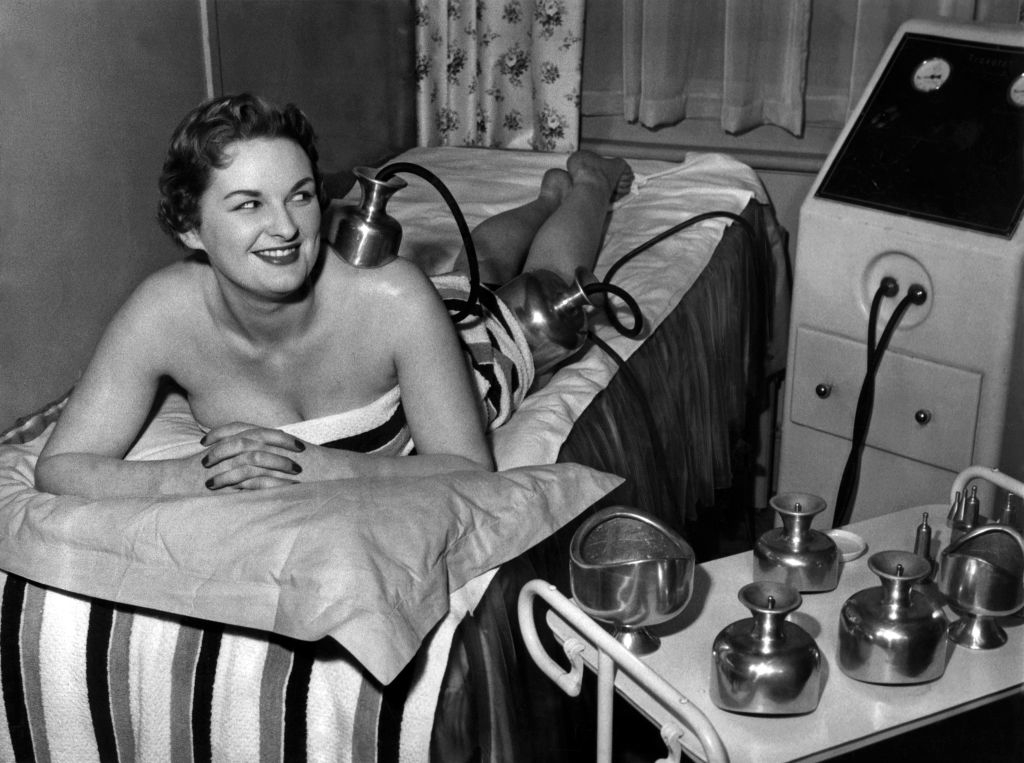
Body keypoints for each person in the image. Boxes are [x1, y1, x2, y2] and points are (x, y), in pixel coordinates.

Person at [34, 93, 632, 500]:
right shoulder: (160, 314)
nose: (287, 227)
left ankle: (586, 184)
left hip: (469, 357)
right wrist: (191, 479)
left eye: (300, 195)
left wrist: (320, 470)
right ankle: (546, 197)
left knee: (545, 300)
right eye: (248, 204)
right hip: (420, 316)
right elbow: (61, 467)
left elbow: (468, 468)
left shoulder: (394, 291)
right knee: (475, 266)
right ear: (190, 228)